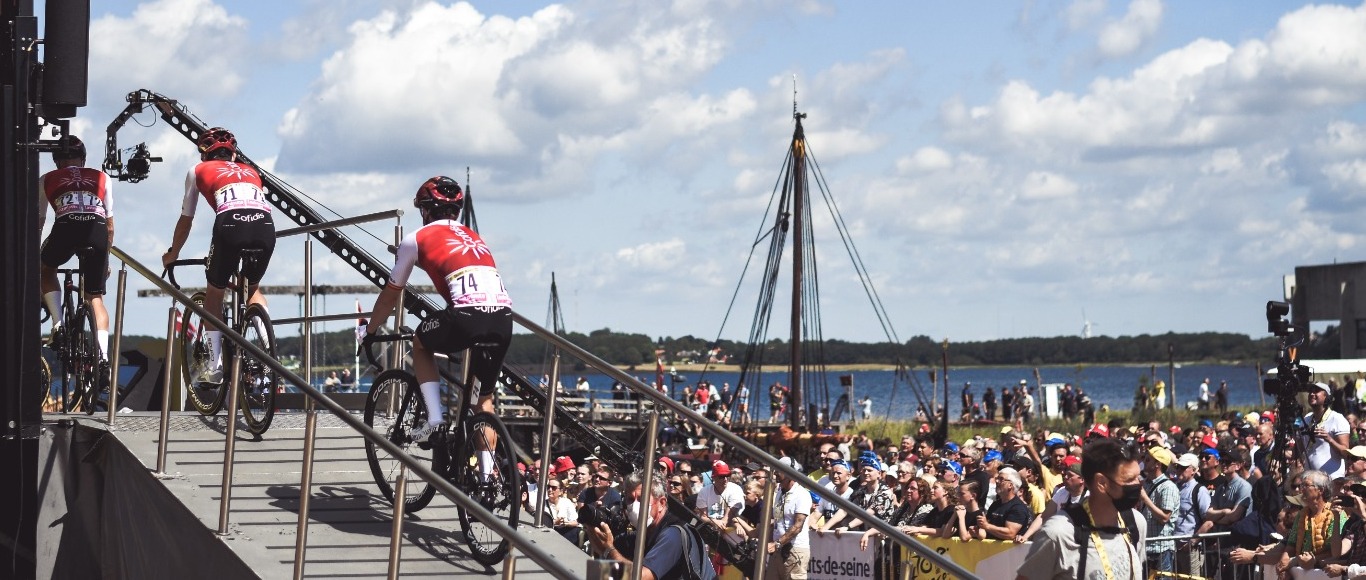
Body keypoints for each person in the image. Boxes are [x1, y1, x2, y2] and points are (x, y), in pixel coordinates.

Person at [362, 176, 512, 445]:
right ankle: (486, 481)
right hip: (503, 318)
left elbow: (390, 297)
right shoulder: (474, 236)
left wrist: (370, 332)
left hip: (467, 317)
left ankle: (434, 419)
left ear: (426, 210)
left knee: (420, 343)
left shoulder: (415, 239)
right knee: (483, 402)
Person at [163, 127, 275, 384]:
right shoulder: (252, 172)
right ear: (233, 155)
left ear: (204, 155)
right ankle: (269, 351)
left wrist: (173, 254)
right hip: (265, 226)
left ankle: (214, 367)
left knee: (214, 293)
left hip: (230, 225)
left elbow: (186, 219)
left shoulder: (197, 170)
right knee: (253, 289)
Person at [1017, 437, 1148, 580]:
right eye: (1130, 480)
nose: (1138, 486)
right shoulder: (1059, 534)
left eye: (1138, 478)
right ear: (1102, 483)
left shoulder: (1136, 523)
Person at [39, 135, 115, 380]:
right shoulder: (103, 177)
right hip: (98, 229)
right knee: (95, 298)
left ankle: (59, 325)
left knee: (46, 269)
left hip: (66, 227)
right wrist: (107, 260)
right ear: (83, 159)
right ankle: (102, 358)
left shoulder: (46, 179)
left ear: (56, 161)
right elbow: (110, 226)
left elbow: (38, 223)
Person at [589, 473, 716, 580]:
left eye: (641, 499)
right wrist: (591, 525)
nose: (634, 506)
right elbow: (606, 561)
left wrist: (609, 550)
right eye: (630, 499)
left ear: (661, 503)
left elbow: (640, 577)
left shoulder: (673, 534)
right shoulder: (647, 532)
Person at [767, 462, 812, 580]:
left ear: (790, 473)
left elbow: (797, 526)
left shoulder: (801, 494)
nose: (775, 472)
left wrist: (777, 544)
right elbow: (777, 520)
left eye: (779, 469)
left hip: (794, 549)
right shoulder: (779, 492)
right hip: (777, 550)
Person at [1139, 446, 1179, 576]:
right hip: (1146, 547)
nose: (1144, 461)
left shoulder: (1167, 487)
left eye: (1148, 459)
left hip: (1161, 549)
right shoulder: (1145, 484)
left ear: (1158, 464)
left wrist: (1145, 498)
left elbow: (1164, 518)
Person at [1305, 381, 1351, 478]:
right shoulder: (1307, 418)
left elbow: (1345, 453)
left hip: (1331, 478)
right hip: (1310, 478)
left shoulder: (1337, 418)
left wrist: (1329, 439)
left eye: (1316, 391)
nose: (1312, 394)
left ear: (1326, 396)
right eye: (1310, 391)